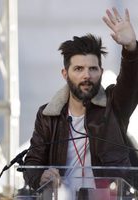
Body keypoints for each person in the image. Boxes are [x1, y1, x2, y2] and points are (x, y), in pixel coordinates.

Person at [23, 7, 138, 190]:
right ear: (64, 73)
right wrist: (40, 175)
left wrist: (131, 48)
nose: (87, 75)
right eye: (78, 69)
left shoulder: (113, 105)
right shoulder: (48, 115)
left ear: (100, 72)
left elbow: (131, 83)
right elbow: (31, 163)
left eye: (93, 69)